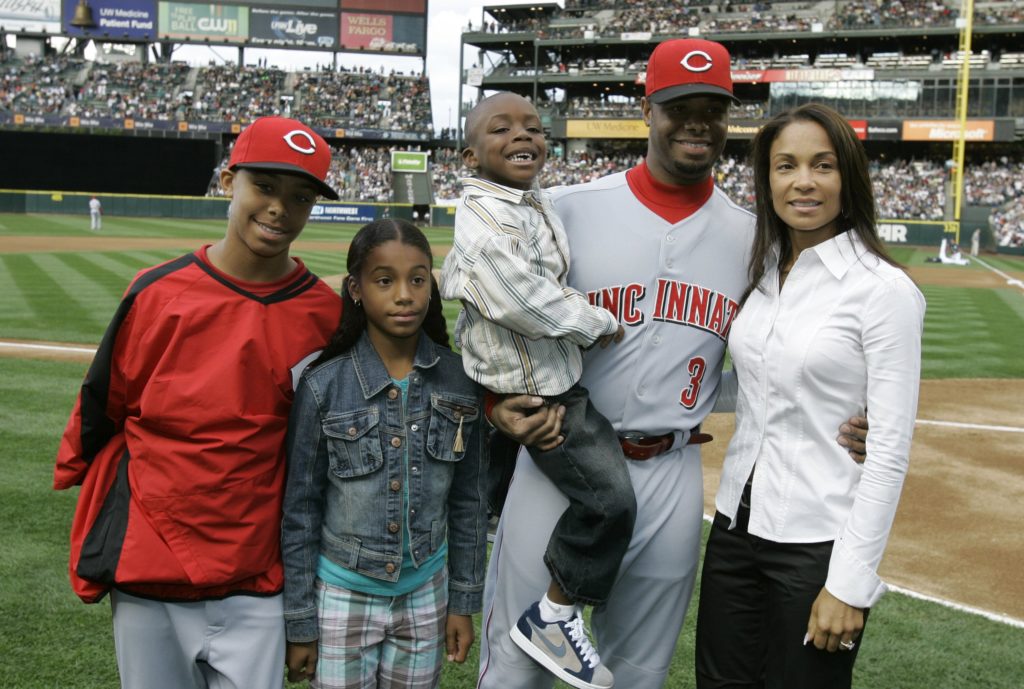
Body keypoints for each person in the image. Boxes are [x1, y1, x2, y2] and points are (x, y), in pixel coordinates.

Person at [477, 38, 870, 689]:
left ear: (726, 119)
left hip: (672, 470)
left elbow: (803, 338)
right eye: (679, 105)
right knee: (518, 662)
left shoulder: (753, 237)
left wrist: (855, 414)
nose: (697, 122)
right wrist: (494, 404)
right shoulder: (568, 208)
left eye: (712, 108)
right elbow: (488, 316)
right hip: (559, 459)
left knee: (636, 670)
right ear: (647, 109)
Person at [53, 116, 343, 689]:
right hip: (152, 557)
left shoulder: (325, 316)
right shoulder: (156, 292)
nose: (280, 208)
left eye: (300, 196)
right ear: (228, 180)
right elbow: (103, 405)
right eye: (264, 186)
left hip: (259, 568)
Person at [694, 103, 925, 689]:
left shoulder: (884, 291)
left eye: (822, 165)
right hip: (734, 530)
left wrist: (849, 583)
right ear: (766, 180)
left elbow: (890, 451)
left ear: (847, 177)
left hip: (818, 542)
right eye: (785, 166)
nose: (803, 181)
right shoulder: (763, 273)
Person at [440, 91, 631, 689]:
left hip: (523, 383)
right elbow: (518, 297)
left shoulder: (528, 200)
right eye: (502, 129)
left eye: (534, 127)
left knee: (486, 506)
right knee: (610, 503)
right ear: (471, 155)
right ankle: (554, 613)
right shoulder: (486, 214)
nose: (522, 135)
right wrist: (595, 321)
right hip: (539, 392)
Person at [281, 218, 489, 689]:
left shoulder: (461, 381)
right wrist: (300, 623)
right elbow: (300, 510)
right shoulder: (323, 386)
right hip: (340, 595)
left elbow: (470, 502)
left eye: (418, 279)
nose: (404, 295)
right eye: (384, 280)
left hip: (425, 594)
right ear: (355, 288)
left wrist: (463, 600)